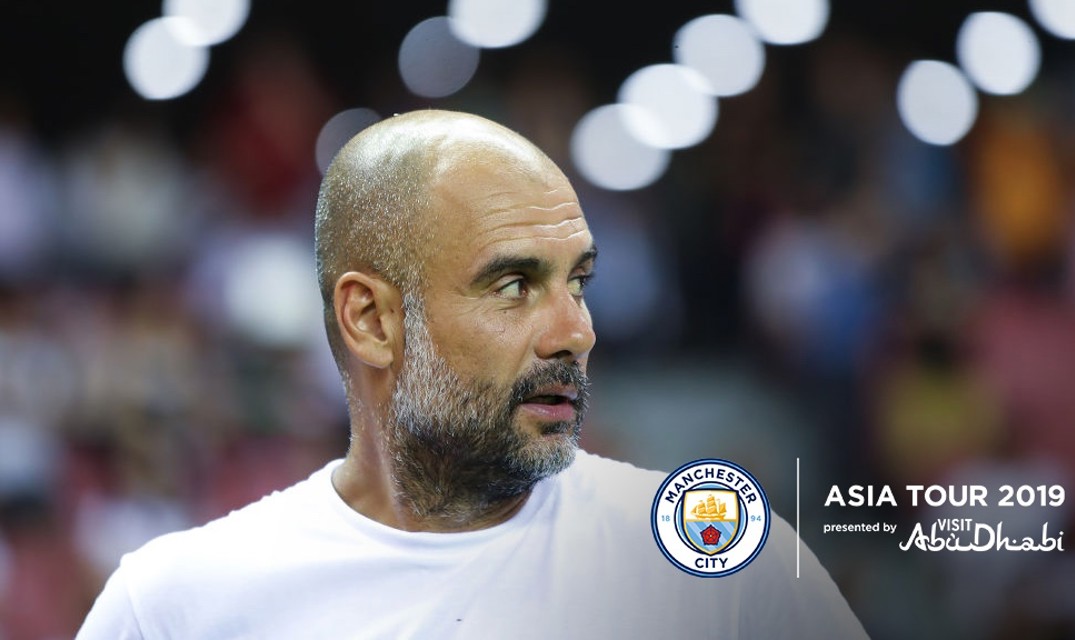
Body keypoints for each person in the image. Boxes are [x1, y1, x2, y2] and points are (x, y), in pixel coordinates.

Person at [77, 110, 868, 639]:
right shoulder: (175, 607)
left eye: (578, 282)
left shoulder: (715, 567)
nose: (575, 332)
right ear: (372, 321)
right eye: (514, 285)